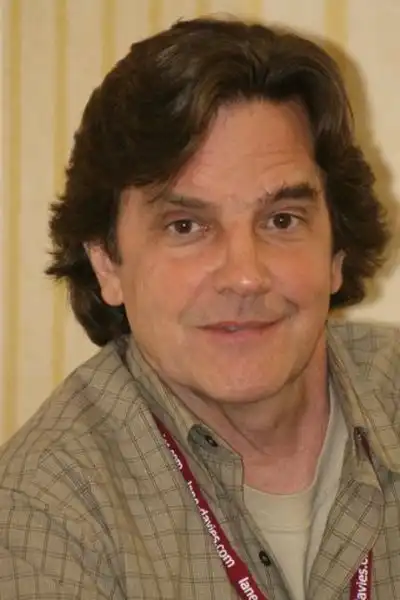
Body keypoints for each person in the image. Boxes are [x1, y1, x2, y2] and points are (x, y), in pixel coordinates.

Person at [0, 15, 398, 600]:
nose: (245, 275)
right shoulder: (43, 515)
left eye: (281, 220)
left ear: (336, 252)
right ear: (107, 263)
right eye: (186, 226)